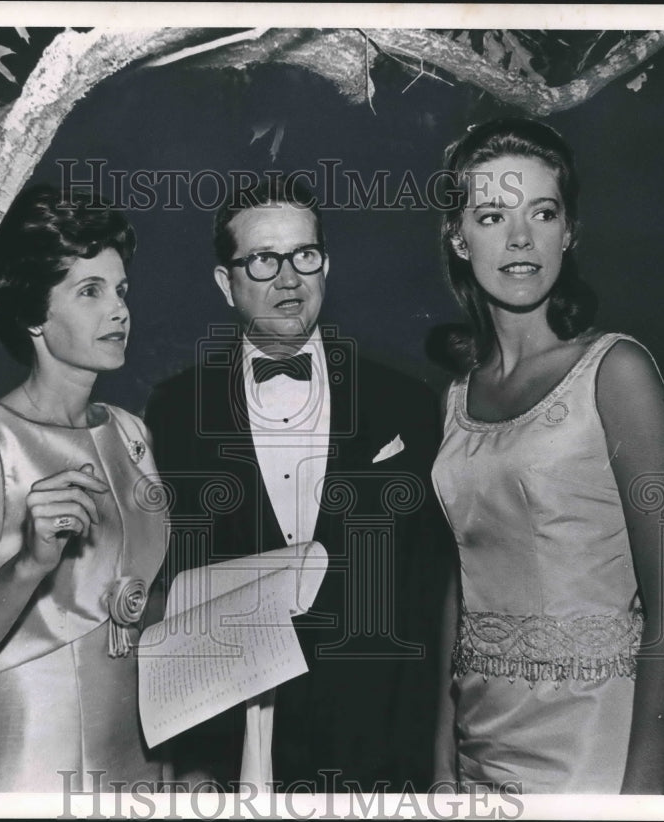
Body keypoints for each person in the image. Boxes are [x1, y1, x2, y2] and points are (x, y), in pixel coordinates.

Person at [145, 177, 456, 792]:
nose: (289, 278)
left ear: (325, 265)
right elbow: (174, 584)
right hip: (237, 748)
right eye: (263, 259)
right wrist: (194, 760)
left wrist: (429, 768)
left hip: (373, 754)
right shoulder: (175, 410)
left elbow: (431, 588)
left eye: (304, 256)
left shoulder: (407, 403)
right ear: (224, 282)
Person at [432, 118, 664, 793]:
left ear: (568, 231)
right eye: (492, 216)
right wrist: (440, 768)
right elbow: (458, 591)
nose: (520, 238)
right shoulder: (456, 399)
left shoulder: (618, 373)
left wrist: (642, 800)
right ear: (459, 238)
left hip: (592, 752)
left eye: (542, 213)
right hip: (478, 750)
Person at [0, 185, 168, 792]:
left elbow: (125, 605)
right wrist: (28, 566)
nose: (120, 310)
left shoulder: (131, 433)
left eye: (120, 289)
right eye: (90, 291)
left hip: (141, 767)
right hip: (30, 773)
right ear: (32, 315)